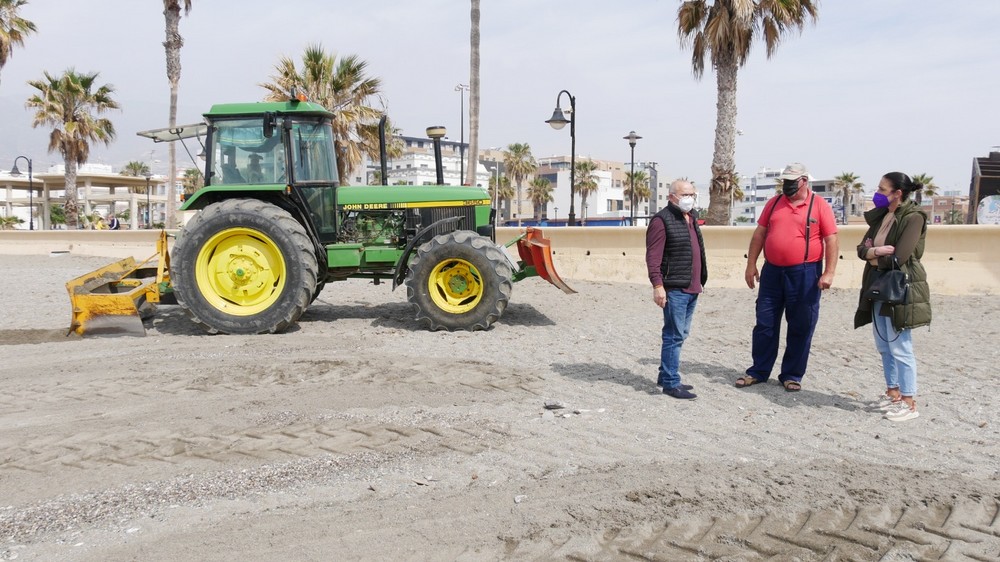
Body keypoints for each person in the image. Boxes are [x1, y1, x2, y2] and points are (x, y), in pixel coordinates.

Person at [737, 162, 839, 392]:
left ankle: (792, 374)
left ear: (804, 181)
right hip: (772, 272)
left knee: (801, 325)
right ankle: (759, 371)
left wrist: (829, 272)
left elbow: (831, 239)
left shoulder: (819, 205)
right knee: (765, 323)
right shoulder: (773, 204)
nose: (788, 186)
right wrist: (751, 264)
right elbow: (760, 233)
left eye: (792, 182)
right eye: (785, 182)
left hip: (805, 272)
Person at [854, 172, 930, 422]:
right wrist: (875, 251)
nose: (877, 193)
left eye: (882, 189)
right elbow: (860, 249)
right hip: (877, 285)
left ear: (898, 193)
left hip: (899, 287)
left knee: (900, 345)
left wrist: (871, 254)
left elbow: (901, 256)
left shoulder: (913, 217)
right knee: (884, 344)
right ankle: (893, 392)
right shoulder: (883, 216)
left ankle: (909, 401)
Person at [645, 179, 708, 399]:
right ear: (672, 196)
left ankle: (665, 375)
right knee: (674, 335)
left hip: (692, 287)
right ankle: (671, 383)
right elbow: (653, 257)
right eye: (685, 194)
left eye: (692, 194)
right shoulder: (661, 220)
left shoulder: (690, 218)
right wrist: (658, 285)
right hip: (675, 288)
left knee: (680, 333)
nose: (689, 198)